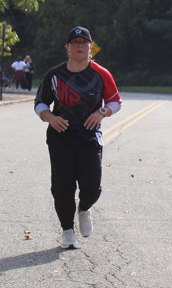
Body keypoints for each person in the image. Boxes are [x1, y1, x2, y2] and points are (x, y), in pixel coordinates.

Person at [34, 27, 122, 249]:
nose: (79, 46)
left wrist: (101, 113)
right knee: (62, 186)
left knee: (91, 185)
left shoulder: (101, 74)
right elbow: (40, 103)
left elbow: (115, 102)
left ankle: (84, 208)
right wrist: (50, 118)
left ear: (91, 47)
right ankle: (67, 231)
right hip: (60, 136)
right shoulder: (54, 74)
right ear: (67, 47)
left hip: (89, 136)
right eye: (75, 42)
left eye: (84, 42)